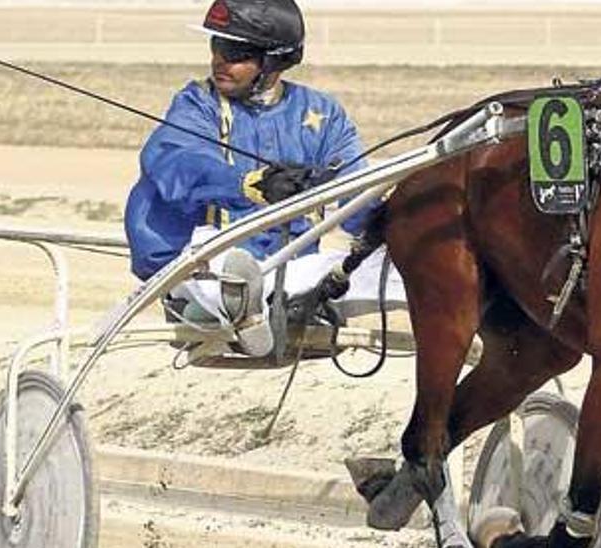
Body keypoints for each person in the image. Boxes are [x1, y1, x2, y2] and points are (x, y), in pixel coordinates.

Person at [124, 0, 397, 357]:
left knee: (412, 267)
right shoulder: (196, 104)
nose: (219, 60)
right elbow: (177, 160)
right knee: (223, 267)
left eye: (235, 52)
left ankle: (260, 307)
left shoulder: (322, 114)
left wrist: (402, 217)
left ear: (273, 61)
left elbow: (359, 199)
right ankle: (241, 306)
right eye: (216, 46)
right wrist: (250, 184)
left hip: (294, 273)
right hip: (202, 267)